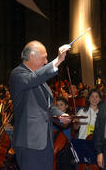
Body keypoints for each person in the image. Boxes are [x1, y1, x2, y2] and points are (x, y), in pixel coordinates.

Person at [9, 40, 71, 170]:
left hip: (46, 142)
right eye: (44, 58)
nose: (46, 62)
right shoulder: (18, 74)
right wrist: (58, 61)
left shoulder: (40, 79)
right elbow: (33, 79)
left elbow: (49, 106)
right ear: (32, 56)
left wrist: (61, 115)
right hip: (29, 143)